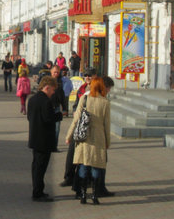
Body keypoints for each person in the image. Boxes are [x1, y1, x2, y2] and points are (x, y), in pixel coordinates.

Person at [65, 76, 111, 205]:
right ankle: (95, 195)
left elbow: (76, 119)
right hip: (99, 137)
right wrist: (108, 141)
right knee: (96, 166)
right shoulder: (105, 102)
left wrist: (69, 136)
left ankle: (83, 194)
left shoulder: (84, 99)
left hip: (84, 137)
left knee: (84, 165)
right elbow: (107, 125)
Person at [27, 76, 63, 202]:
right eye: (52, 90)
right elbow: (48, 119)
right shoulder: (45, 101)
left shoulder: (32, 99)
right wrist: (58, 115)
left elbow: (29, 117)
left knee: (36, 166)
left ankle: (38, 189)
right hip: (44, 139)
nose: (53, 93)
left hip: (34, 137)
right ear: (47, 87)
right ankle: (37, 193)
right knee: (40, 167)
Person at [60, 68, 95, 188]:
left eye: (90, 76)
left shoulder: (97, 89)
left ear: (95, 76)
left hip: (91, 125)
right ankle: (69, 177)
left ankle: (88, 179)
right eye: (85, 75)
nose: (87, 78)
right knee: (72, 152)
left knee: (88, 155)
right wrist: (75, 111)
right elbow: (76, 104)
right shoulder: (82, 89)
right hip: (79, 124)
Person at [49, 65, 68, 149]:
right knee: (48, 128)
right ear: (51, 72)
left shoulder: (60, 82)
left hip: (56, 108)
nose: (56, 74)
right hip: (47, 107)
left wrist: (64, 108)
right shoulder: (47, 81)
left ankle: (54, 146)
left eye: (57, 72)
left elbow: (62, 97)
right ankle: (47, 144)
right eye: (54, 72)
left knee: (57, 128)